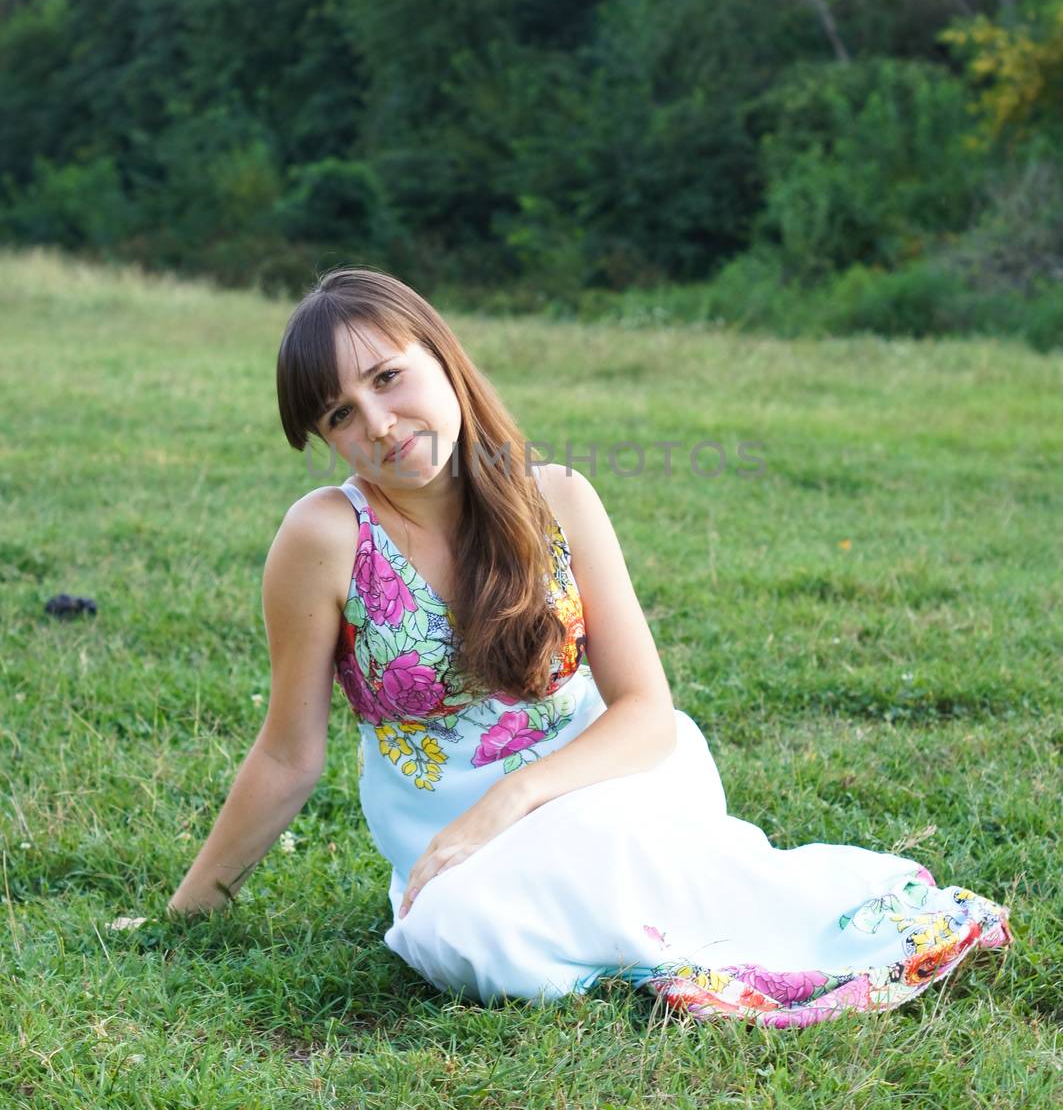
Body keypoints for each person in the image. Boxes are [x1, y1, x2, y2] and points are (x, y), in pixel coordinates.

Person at [168, 267, 1012, 1029]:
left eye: (389, 378)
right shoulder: (325, 536)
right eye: (341, 414)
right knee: (453, 934)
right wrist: (188, 912)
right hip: (461, 859)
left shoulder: (558, 499)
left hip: (611, 782)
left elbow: (649, 713)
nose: (380, 424)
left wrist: (507, 802)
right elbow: (288, 755)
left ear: (440, 356)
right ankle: (653, 941)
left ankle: (696, 938)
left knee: (600, 861)